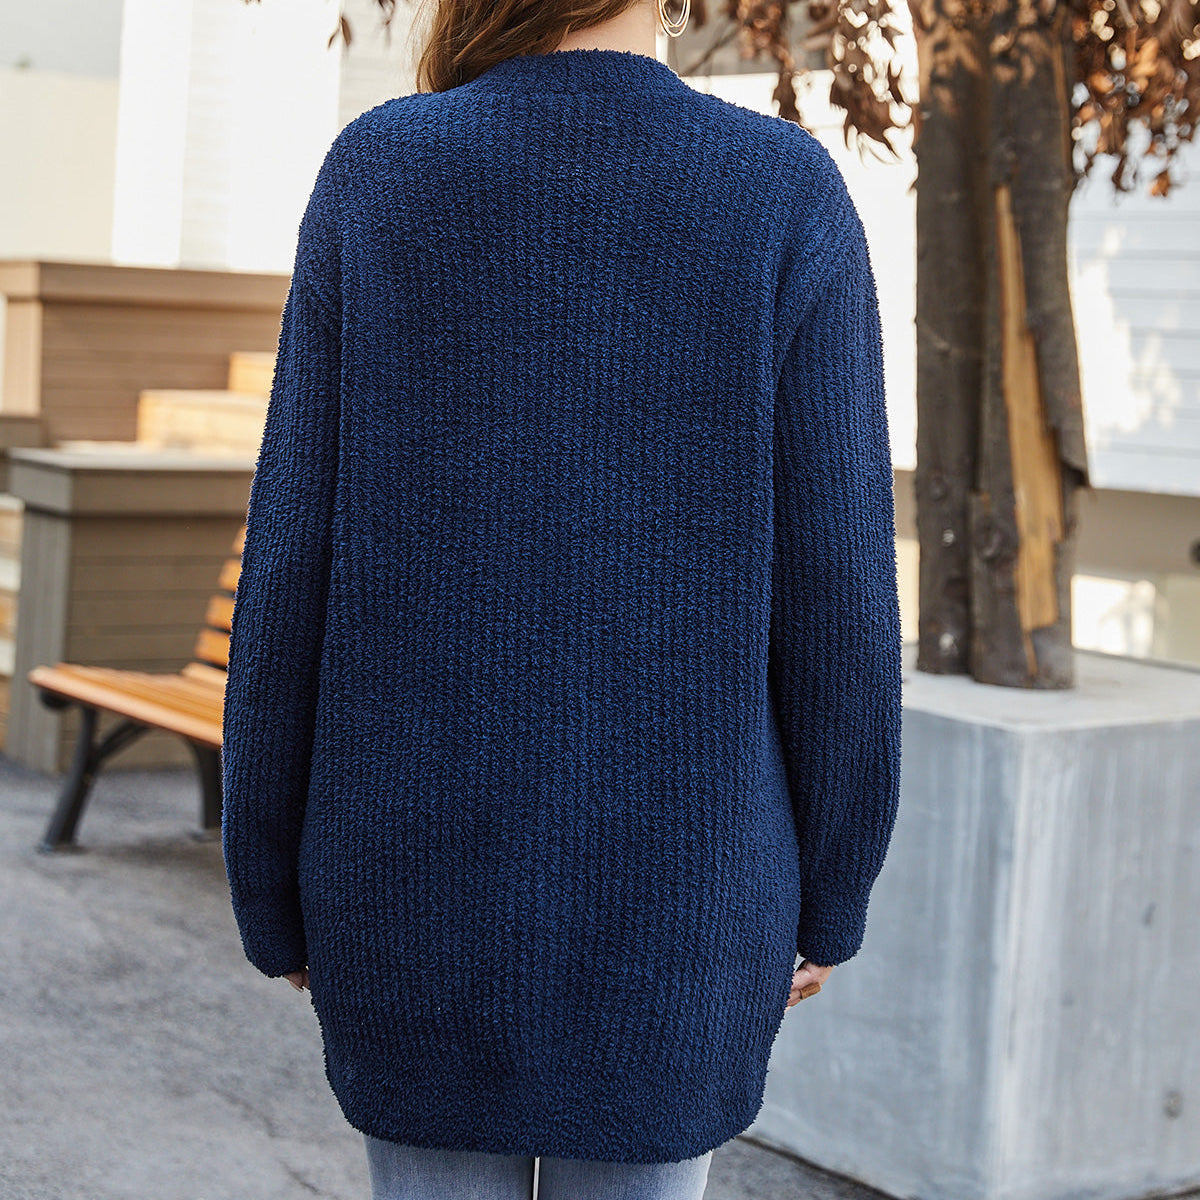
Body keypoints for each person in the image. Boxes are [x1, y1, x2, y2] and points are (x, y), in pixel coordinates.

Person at [219, 0, 904, 1192]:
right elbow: (841, 597)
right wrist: (831, 886)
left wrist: (270, 876)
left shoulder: (382, 173)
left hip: (406, 882)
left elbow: (290, 561)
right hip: (685, 901)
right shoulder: (780, 191)